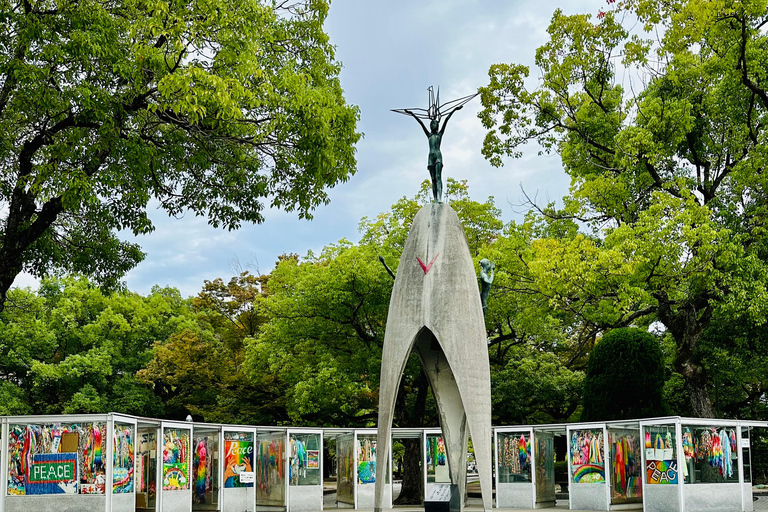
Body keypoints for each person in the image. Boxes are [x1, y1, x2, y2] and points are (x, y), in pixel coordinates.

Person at [405, 105, 462, 203]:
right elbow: (421, 123)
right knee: (433, 179)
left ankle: (439, 198)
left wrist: (454, 109)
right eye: (431, 124)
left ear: (437, 125)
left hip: (438, 156)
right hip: (431, 157)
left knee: (438, 177)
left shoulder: (439, 134)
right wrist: (412, 114)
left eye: (434, 124)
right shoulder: (429, 135)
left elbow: (446, 120)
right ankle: (435, 199)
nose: (432, 125)